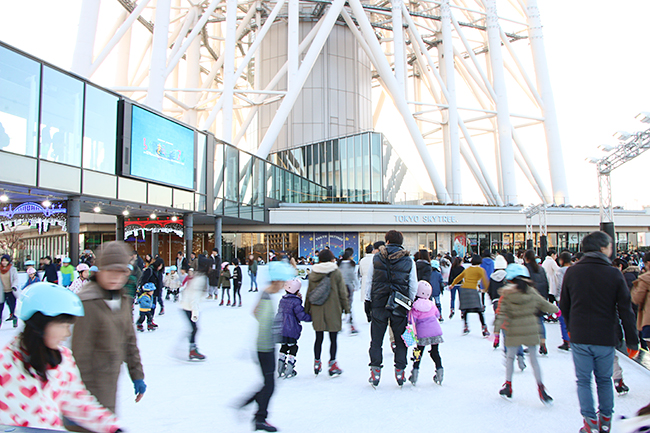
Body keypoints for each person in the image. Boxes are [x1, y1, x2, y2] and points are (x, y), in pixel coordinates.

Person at [0, 282, 124, 432]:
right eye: (62, 326)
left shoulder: (63, 359)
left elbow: (77, 401)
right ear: (40, 324)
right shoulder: (5, 362)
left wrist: (112, 428)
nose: (67, 334)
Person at [560, 231, 639, 433]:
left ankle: (589, 422)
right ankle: (605, 420)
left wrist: (571, 328)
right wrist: (632, 341)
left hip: (580, 336)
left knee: (583, 380)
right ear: (603, 248)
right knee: (604, 380)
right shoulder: (614, 274)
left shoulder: (572, 272)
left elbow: (565, 306)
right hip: (605, 336)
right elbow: (625, 310)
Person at [68, 241, 146, 432]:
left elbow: (129, 340)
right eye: (110, 271)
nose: (115, 277)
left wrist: (137, 376)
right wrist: (77, 401)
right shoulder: (88, 302)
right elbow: (79, 355)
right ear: (99, 270)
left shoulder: (122, 299)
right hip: (88, 388)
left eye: (121, 272)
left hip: (110, 381)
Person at [238, 260, 295, 432]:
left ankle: (255, 413)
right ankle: (257, 416)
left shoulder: (266, 294)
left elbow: (255, 312)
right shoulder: (266, 296)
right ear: (276, 281)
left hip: (265, 346)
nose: (283, 286)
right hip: (265, 347)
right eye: (283, 283)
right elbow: (262, 321)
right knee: (269, 385)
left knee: (268, 383)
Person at [494, 264, 558, 405]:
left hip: (513, 330)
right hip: (531, 330)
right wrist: (557, 310)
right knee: (534, 360)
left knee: (510, 358)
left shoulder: (506, 294)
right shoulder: (531, 292)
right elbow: (545, 305)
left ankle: (508, 386)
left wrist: (497, 331)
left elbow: (501, 314)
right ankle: (541, 388)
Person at [364, 230, 417, 387]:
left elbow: (370, 280)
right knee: (401, 339)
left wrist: (368, 300)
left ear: (386, 241)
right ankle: (400, 371)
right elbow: (413, 284)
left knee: (376, 339)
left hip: (379, 301)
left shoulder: (377, 257)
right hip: (400, 304)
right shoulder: (409, 260)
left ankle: (375, 371)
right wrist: (410, 302)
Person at [305, 248, 349, 377]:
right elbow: (342, 292)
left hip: (317, 309)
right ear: (331, 259)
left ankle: (317, 362)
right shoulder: (336, 272)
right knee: (333, 338)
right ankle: (332, 363)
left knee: (318, 337)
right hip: (333, 308)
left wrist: (306, 309)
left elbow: (309, 293)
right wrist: (346, 308)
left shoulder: (313, 273)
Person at [408, 281, 444, 386]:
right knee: (435, 352)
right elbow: (437, 315)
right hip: (435, 332)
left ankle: (414, 372)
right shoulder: (431, 304)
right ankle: (439, 371)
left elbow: (411, 320)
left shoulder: (415, 306)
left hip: (422, 333)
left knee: (418, 352)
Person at [276, 279, 312, 378]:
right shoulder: (295, 302)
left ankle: (280, 366)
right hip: (291, 329)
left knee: (284, 346)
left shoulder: (282, 300)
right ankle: (289, 368)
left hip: (281, 328)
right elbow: (301, 316)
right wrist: (312, 317)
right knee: (293, 347)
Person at [450, 254, 490, 336]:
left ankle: (466, 326)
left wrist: (453, 284)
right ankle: (484, 327)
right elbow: (485, 281)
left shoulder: (468, 269)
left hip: (464, 289)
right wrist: (485, 289)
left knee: (466, 309)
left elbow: (459, 277)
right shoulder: (481, 270)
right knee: (479, 310)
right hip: (472, 289)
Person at [181, 257, 210, 360]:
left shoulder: (198, 276)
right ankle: (191, 350)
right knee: (194, 328)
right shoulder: (200, 278)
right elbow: (195, 296)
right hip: (189, 306)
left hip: (187, 305)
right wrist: (195, 312)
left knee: (193, 328)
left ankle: (191, 349)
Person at [523, 249, 550, 355]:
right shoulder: (541, 269)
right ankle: (543, 343)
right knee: (540, 321)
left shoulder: (525, 269)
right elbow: (546, 284)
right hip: (541, 298)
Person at [338, 248, 358, 334]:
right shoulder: (350, 265)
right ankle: (351, 326)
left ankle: (337, 325)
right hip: (348, 287)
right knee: (348, 307)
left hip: (339, 287)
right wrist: (357, 286)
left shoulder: (338, 265)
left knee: (339, 307)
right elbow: (353, 277)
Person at [556, 251, 573, 351]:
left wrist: (557, 296)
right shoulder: (574, 269)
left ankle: (566, 341)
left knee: (563, 319)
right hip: (574, 297)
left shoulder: (561, 271)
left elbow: (560, 285)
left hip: (563, 298)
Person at [0, 253, 19, 328]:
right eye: (3, 261)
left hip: (11, 291)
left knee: (12, 307)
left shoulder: (13, 269)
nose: (4, 262)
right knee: (0, 308)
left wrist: (14, 286)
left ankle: (14, 319)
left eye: (6, 261)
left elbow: (15, 279)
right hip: (2, 291)